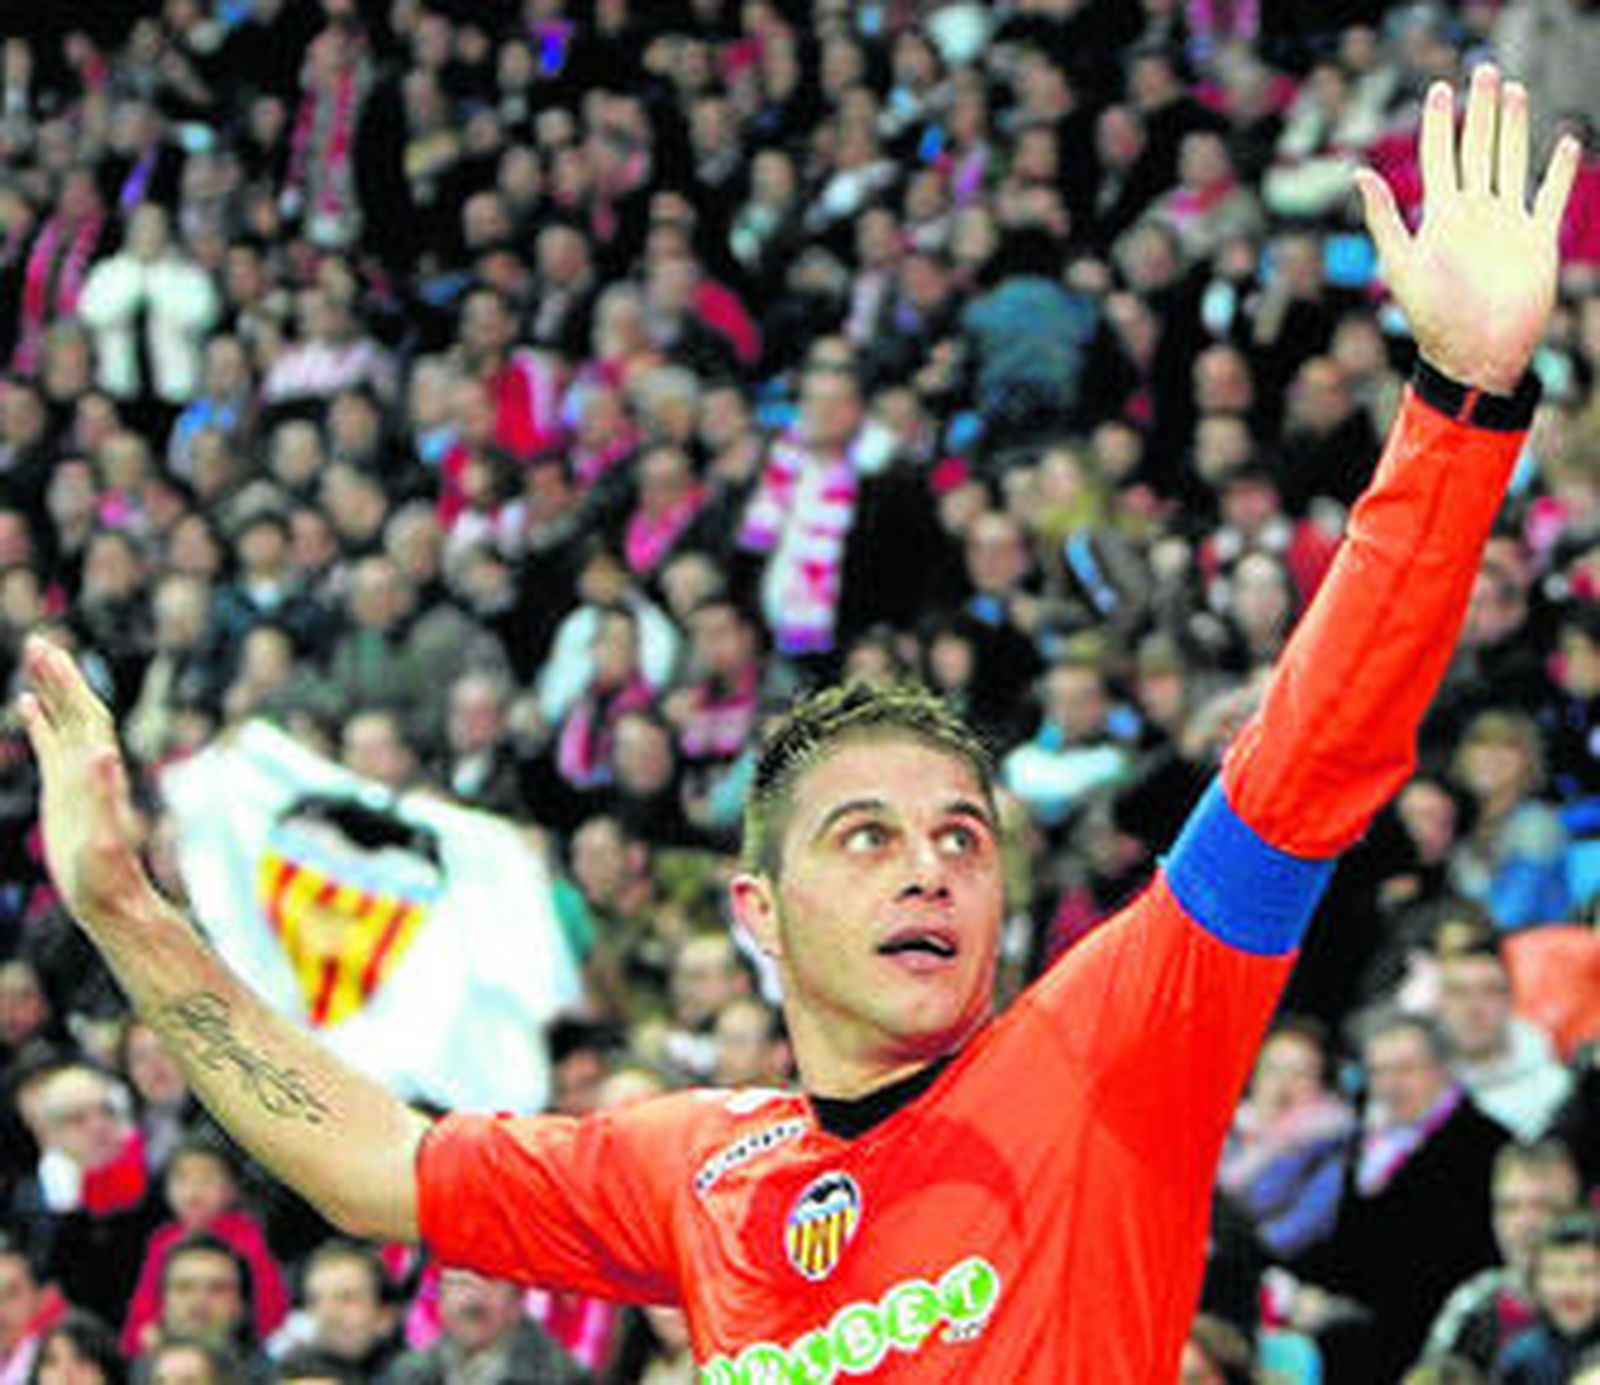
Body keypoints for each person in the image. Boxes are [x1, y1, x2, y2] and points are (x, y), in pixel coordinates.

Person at [15, 68, 1580, 1382]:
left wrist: (1461, 405)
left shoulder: (1109, 1053)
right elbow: (374, 1161)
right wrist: (123, 909)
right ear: (757, 910)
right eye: (868, 836)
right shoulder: (694, 1167)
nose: (931, 868)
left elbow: (1306, 764)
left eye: (962, 835)